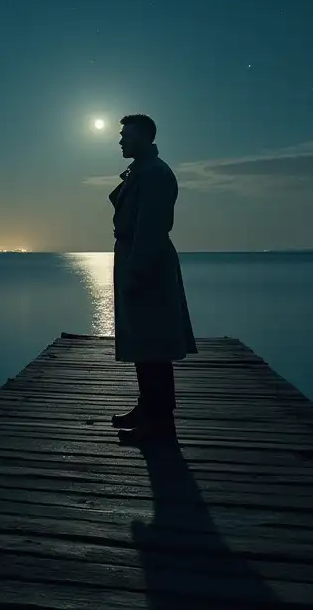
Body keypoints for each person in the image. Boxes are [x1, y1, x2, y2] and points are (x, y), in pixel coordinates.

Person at [108, 113, 197, 444]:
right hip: (137, 258)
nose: (121, 141)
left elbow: (151, 229)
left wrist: (136, 272)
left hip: (148, 264)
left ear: (145, 138)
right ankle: (147, 408)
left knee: (153, 345)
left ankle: (160, 424)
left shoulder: (155, 174)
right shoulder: (142, 171)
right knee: (143, 342)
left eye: (127, 135)